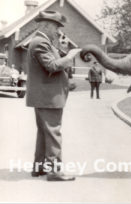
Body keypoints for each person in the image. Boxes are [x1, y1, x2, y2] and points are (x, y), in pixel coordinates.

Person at [26, 11, 81, 181]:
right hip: (48, 97)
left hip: (45, 96)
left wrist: (63, 49)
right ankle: (55, 171)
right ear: (46, 25)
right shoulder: (40, 42)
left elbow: (55, 61)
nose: (59, 31)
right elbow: (51, 65)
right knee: (53, 133)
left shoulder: (44, 42)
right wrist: (71, 55)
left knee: (45, 133)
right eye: (57, 27)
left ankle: (39, 167)